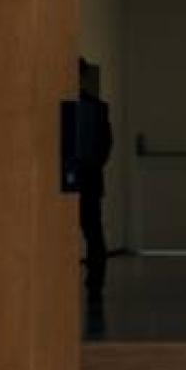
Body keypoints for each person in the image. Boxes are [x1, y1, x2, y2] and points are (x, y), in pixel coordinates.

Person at [76, 57, 114, 336]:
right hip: (88, 179)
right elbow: (104, 147)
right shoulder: (96, 109)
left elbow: (103, 146)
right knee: (93, 233)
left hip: (84, 179)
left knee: (92, 233)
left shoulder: (95, 109)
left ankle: (95, 287)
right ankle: (95, 287)